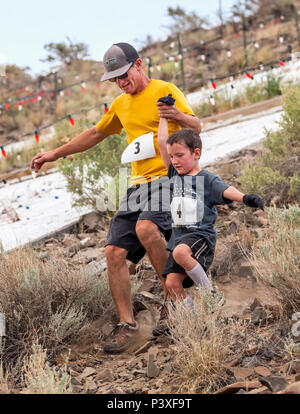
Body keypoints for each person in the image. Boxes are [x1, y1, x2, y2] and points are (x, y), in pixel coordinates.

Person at [30, 43, 202, 353]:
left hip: (168, 177)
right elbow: (96, 134)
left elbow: (197, 125)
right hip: (138, 184)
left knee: (147, 229)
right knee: (113, 252)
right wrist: (55, 153)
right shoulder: (121, 104)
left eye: (124, 75)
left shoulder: (165, 89)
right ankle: (128, 325)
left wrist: (175, 113)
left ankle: (177, 303)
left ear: (139, 65)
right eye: (115, 79)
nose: (121, 83)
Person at [153, 93, 264, 336]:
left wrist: (245, 198)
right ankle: (195, 324)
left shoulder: (206, 179)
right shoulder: (175, 175)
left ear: (196, 153)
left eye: (180, 155)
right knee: (172, 284)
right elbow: (162, 142)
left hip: (200, 237)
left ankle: (210, 295)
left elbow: (226, 190)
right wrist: (164, 115)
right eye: (172, 157)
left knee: (182, 253)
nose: (175, 160)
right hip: (179, 239)